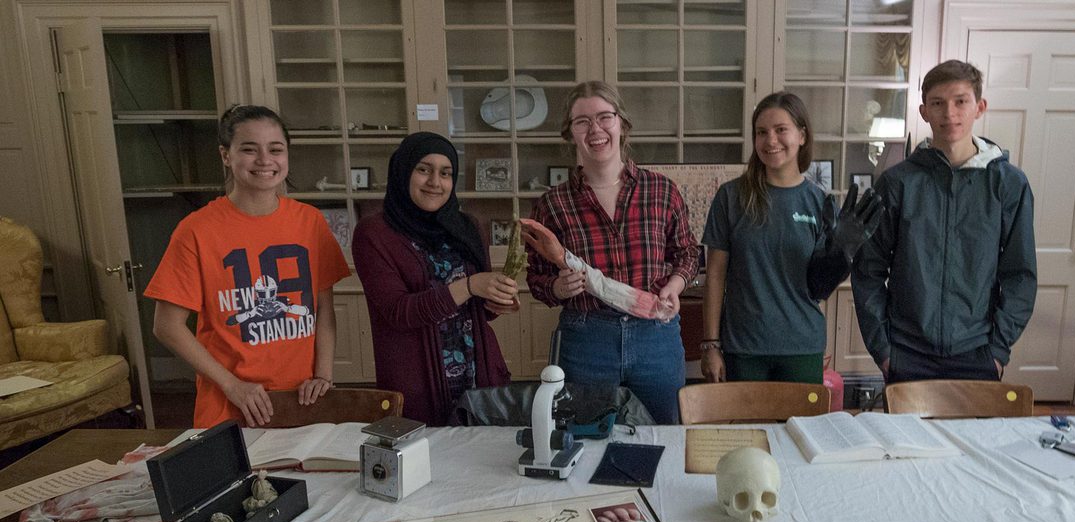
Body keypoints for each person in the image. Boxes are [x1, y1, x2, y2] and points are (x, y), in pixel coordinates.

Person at [147, 104, 349, 428]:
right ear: (226, 155)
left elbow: (323, 309)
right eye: (249, 149)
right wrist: (232, 386)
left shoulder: (310, 222)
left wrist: (323, 376)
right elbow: (166, 326)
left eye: (275, 149)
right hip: (228, 405)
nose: (265, 160)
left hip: (300, 400)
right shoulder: (196, 230)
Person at [521, 80, 699, 424]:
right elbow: (536, 276)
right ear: (570, 133)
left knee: (662, 434)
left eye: (605, 117)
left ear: (622, 124)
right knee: (583, 440)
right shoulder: (553, 204)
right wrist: (557, 288)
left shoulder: (662, 191)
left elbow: (688, 252)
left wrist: (675, 285)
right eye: (582, 121)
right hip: (587, 339)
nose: (595, 129)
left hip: (656, 336)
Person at [852, 60, 1037, 384]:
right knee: (903, 438)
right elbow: (868, 269)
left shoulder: (1008, 184)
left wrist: (997, 350)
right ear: (924, 112)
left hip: (978, 354)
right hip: (906, 355)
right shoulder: (897, 183)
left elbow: (1020, 274)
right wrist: (883, 348)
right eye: (938, 103)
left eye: (960, 101)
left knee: (971, 438)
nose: (949, 113)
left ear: (979, 107)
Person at [701, 92, 882, 384]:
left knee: (799, 429)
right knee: (748, 430)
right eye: (762, 132)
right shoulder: (732, 197)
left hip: (801, 346)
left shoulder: (818, 202)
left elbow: (819, 287)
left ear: (801, 135)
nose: (770, 141)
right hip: (745, 347)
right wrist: (710, 345)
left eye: (780, 130)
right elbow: (715, 276)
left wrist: (841, 256)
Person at [352, 132, 518, 426]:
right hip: (417, 385)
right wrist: (468, 286)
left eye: (446, 173)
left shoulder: (467, 227)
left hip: (478, 378)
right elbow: (397, 312)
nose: (435, 182)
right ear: (403, 171)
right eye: (423, 169)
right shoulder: (374, 234)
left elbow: (477, 308)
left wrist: (494, 302)